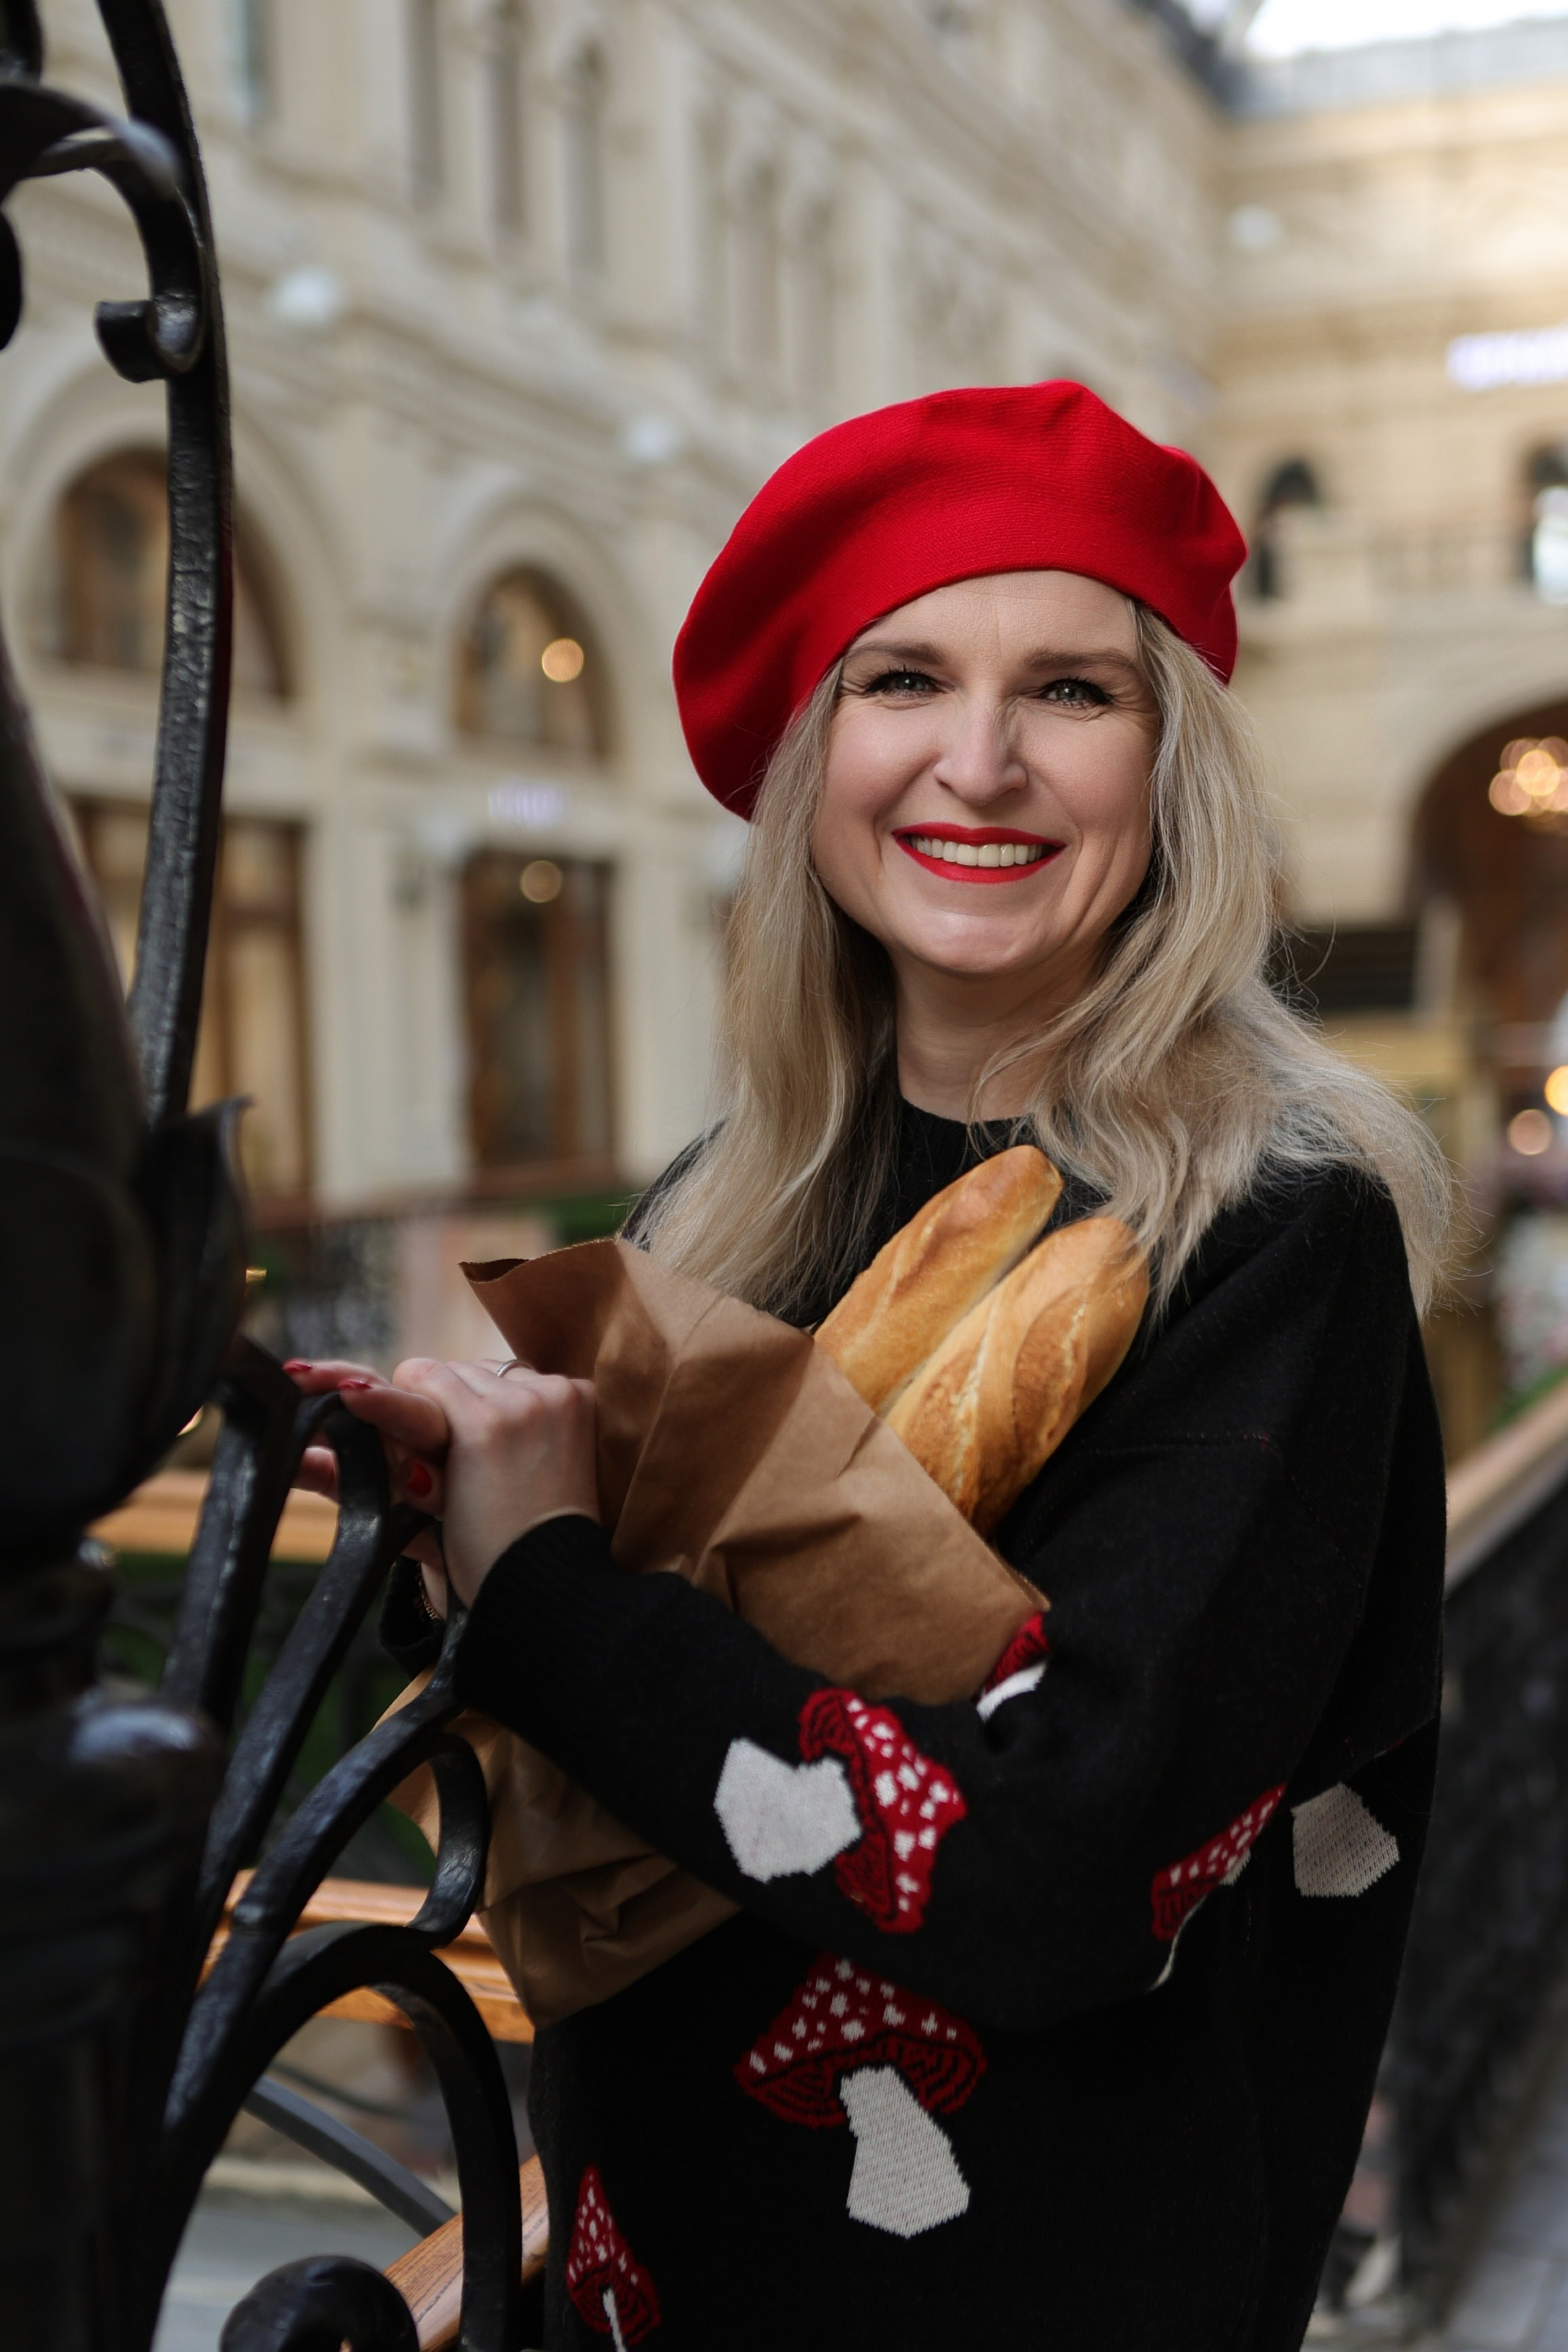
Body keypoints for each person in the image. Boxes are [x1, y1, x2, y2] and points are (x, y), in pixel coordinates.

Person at [292, 383, 1450, 2350]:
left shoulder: (1271, 1235)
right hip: (647, 2271)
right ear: (814, 757)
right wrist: (450, 1541)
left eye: (1073, 691)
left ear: (1172, 768)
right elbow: (637, 1724)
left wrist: (555, 1585)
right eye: (905, 677)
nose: (980, 765)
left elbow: (1053, 1869)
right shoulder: (715, 1216)